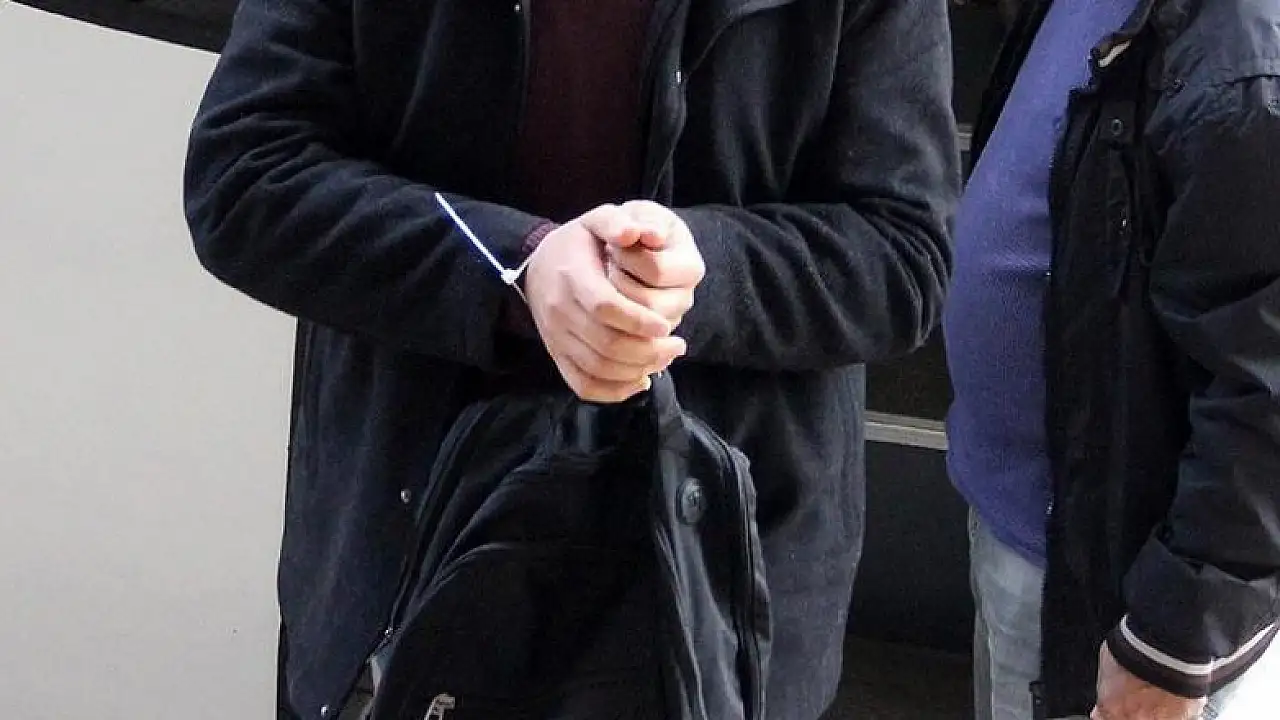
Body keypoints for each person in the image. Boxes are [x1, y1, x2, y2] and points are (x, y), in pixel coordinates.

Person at [183, 1, 959, 718]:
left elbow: (904, 254)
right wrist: (513, 268)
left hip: (718, 596)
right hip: (401, 552)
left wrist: (696, 276)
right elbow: (245, 172)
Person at [943, 0, 1280, 718]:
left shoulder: (1245, 48)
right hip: (1026, 530)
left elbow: (1267, 386)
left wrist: (1174, 641)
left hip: (1123, 606)